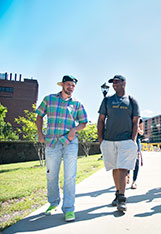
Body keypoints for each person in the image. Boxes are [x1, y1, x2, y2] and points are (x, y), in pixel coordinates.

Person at [35, 75, 88, 222]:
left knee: (70, 176)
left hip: (70, 142)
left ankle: (69, 209)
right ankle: (53, 203)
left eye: (73, 85)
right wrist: (40, 133)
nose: (71, 87)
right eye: (68, 84)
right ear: (63, 85)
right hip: (52, 142)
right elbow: (39, 116)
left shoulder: (77, 104)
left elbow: (84, 122)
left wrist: (74, 130)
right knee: (51, 175)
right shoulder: (49, 99)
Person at [97, 74, 140, 212]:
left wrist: (132, 140)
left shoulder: (132, 101)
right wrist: (100, 139)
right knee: (115, 168)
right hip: (109, 140)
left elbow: (135, 122)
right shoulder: (107, 100)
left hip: (126, 140)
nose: (114, 85)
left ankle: (121, 198)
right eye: (113, 83)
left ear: (124, 83)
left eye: (116, 82)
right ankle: (117, 192)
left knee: (122, 168)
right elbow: (101, 120)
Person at [130, 118, 144, 189]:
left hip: (136, 140)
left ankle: (134, 181)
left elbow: (142, 132)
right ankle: (127, 174)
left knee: (136, 161)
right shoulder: (127, 117)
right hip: (127, 140)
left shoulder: (140, 120)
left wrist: (138, 129)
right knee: (127, 159)